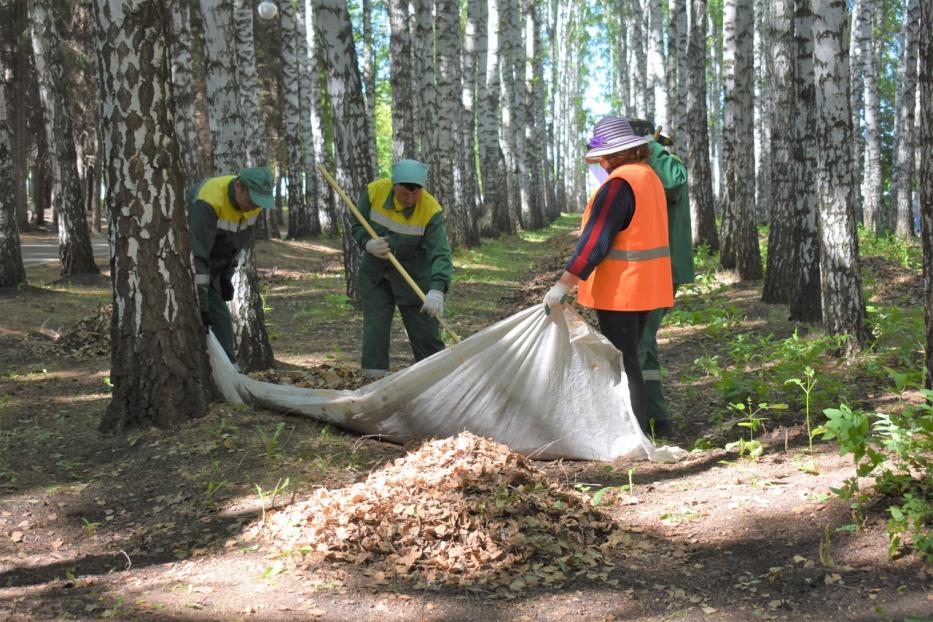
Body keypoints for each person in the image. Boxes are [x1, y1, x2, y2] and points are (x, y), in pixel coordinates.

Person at [543, 116, 673, 434]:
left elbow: (596, 241)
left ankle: (632, 434)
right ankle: (634, 430)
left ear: (614, 155)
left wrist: (564, 284)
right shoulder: (648, 177)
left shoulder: (619, 186)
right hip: (646, 287)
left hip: (623, 290)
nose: (600, 162)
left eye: (602, 156)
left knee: (623, 361)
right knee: (629, 359)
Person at [351, 159, 453, 379]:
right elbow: (357, 223)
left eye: (415, 193)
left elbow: (441, 253)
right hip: (376, 277)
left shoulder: (430, 210)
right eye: (404, 193)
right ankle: (373, 382)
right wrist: (367, 243)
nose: (410, 198)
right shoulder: (373, 192)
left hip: (413, 279)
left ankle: (439, 380)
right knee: (375, 332)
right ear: (393, 185)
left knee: (426, 334)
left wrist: (437, 289)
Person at [629, 120, 695, 437]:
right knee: (645, 342)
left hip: (661, 270)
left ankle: (634, 421)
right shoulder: (646, 168)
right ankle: (656, 416)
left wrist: (649, 145)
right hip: (648, 270)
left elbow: (673, 183)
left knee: (637, 343)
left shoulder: (665, 164)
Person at [188, 167, 275, 362]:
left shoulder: (253, 207)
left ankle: (228, 376)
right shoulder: (208, 200)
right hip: (192, 271)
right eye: (251, 200)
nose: (254, 207)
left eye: (259, 202)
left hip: (214, 270)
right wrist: (202, 303)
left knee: (222, 329)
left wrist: (227, 277)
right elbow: (197, 256)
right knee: (206, 325)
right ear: (239, 187)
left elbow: (236, 246)